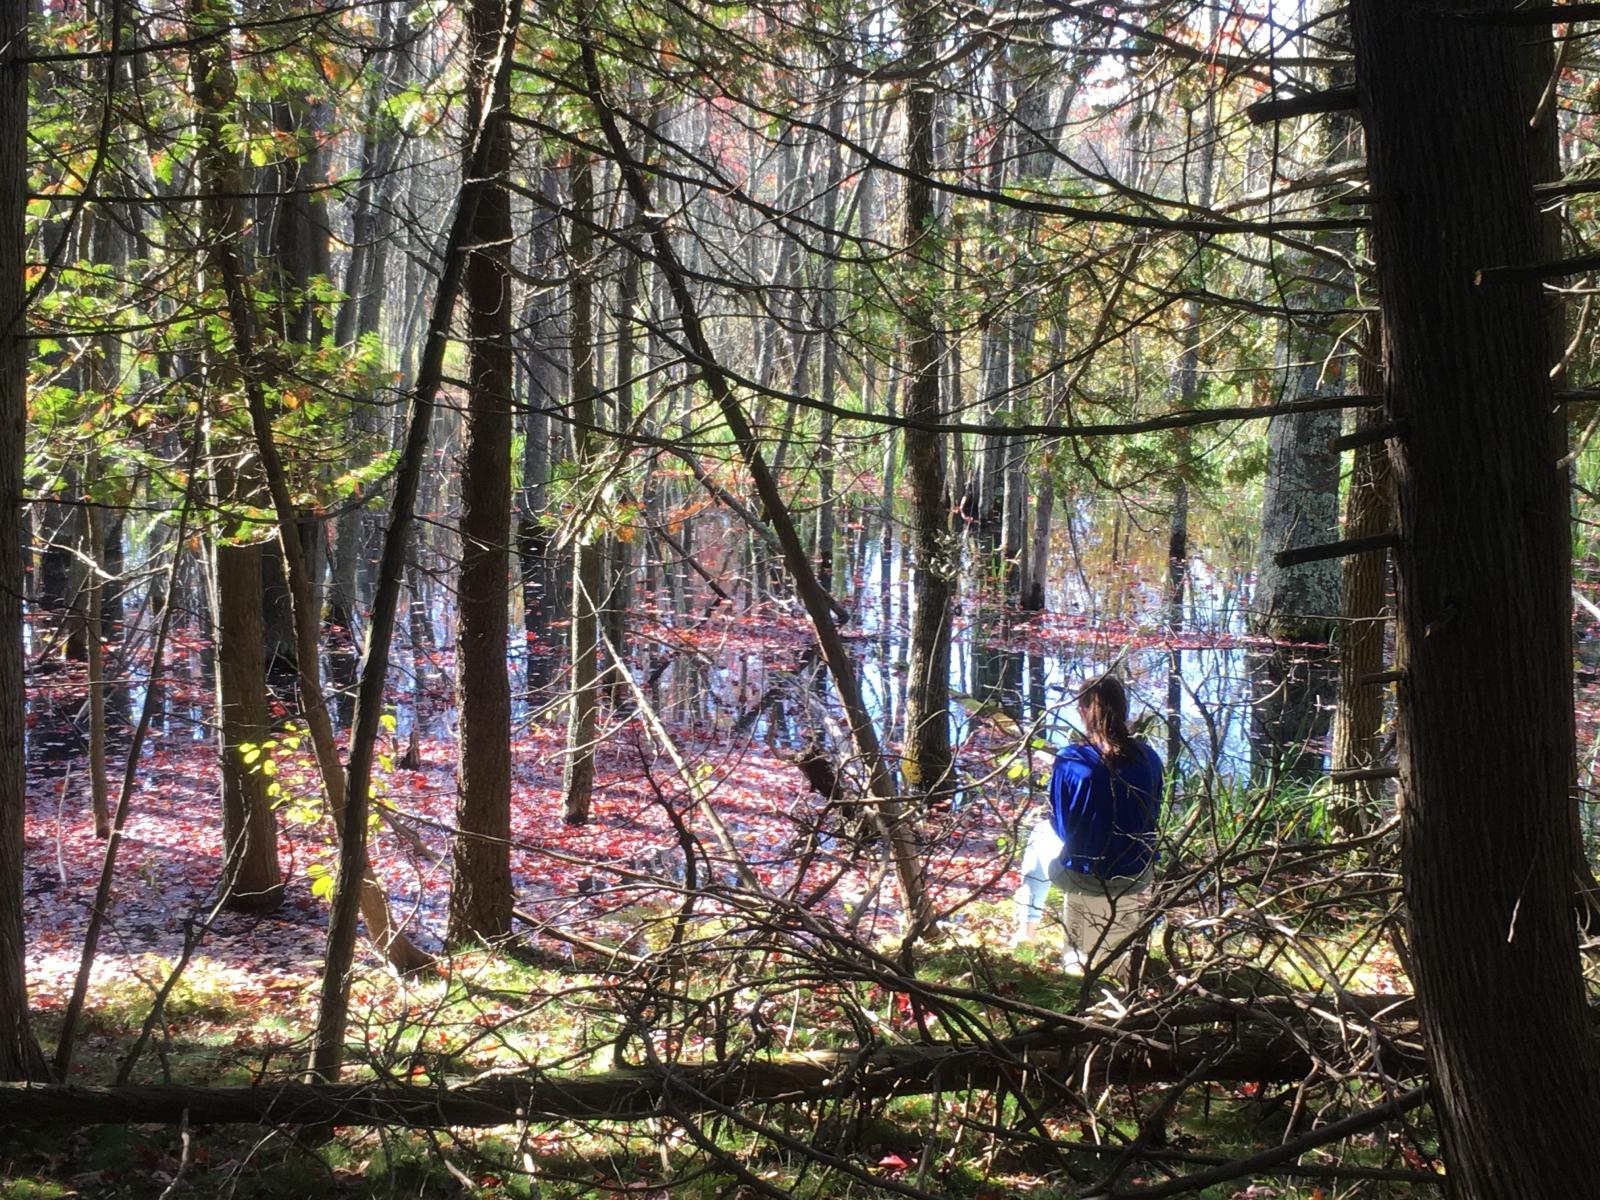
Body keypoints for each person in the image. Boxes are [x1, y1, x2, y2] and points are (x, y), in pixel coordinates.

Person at [1012, 674, 1162, 976]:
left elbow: (1063, 828)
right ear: (1124, 709)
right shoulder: (1150, 758)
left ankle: (1026, 931)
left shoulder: (1071, 759)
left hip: (1085, 876)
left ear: (1082, 711)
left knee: (1039, 833)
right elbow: (1151, 815)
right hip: (1136, 873)